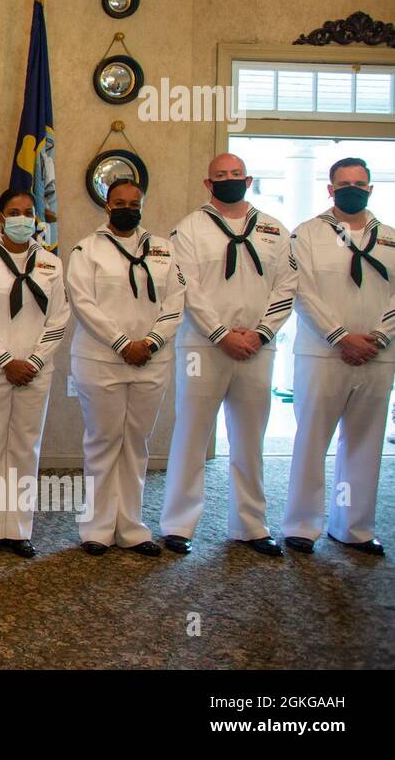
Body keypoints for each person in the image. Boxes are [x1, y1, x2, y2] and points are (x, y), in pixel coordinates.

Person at [161, 153, 296, 557]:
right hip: (204, 346)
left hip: (257, 347)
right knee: (192, 435)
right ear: (208, 183)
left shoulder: (275, 229)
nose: (229, 180)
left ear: (248, 179)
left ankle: (251, 525)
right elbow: (187, 287)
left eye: (236, 174)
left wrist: (260, 333)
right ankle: (178, 524)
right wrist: (221, 334)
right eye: (221, 175)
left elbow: (288, 286)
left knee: (250, 437)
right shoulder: (189, 229)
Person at [67, 179, 184, 557]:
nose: (128, 208)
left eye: (135, 202)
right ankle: (97, 527)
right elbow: (83, 303)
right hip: (102, 359)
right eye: (120, 202)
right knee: (103, 441)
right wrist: (121, 343)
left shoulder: (164, 249)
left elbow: (175, 303)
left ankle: (131, 526)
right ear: (107, 206)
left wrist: (148, 343)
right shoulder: (88, 249)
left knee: (136, 442)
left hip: (151, 359)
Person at [283, 157, 392, 556]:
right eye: (343, 183)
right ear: (330, 189)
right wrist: (341, 337)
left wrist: (378, 337)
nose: (352, 189)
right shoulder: (307, 234)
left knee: (364, 443)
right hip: (322, 353)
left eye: (359, 183)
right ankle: (301, 525)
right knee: (311, 439)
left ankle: (353, 527)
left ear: (370, 188)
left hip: (378, 356)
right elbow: (302, 291)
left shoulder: (391, 237)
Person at [0, 187, 68, 558]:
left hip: (35, 371)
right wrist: (6, 359)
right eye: (14, 211)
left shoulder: (51, 263)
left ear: (37, 217)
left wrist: (34, 361)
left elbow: (59, 318)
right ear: (0, 215)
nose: (22, 218)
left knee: (25, 448)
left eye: (28, 211)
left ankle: (19, 528)